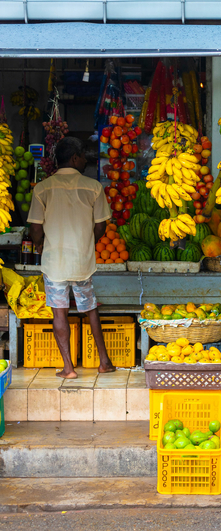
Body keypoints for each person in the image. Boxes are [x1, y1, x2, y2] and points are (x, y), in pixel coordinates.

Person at [28, 137, 115, 379]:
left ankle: (68, 369)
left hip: (54, 262)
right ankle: (104, 362)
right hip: (82, 262)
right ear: (74, 158)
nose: (86, 160)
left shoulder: (42, 188)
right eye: (83, 156)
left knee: (59, 313)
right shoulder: (93, 187)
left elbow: (35, 228)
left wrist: (40, 245)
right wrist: (88, 242)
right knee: (91, 309)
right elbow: (101, 227)